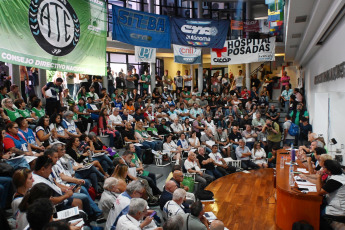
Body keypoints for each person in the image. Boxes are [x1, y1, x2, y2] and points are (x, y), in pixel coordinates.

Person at [316, 160, 345, 229]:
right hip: (334, 204)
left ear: (328, 170)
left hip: (338, 210)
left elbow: (320, 191)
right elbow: (324, 186)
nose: (323, 169)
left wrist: (318, 177)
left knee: (316, 213)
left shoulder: (336, 180)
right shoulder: (338, 175)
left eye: (324, 168)